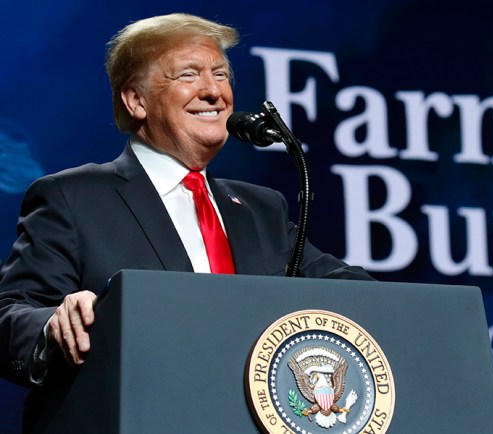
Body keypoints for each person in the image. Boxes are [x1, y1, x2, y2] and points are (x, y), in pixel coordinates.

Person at [0, 13, 373, 429]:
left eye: (220, 74)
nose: (214, 91)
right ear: (135, 101)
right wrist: (53, 326)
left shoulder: (260, 208)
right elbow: (10, 317)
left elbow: (356, 293)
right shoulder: (73, 196)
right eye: (188, 75)